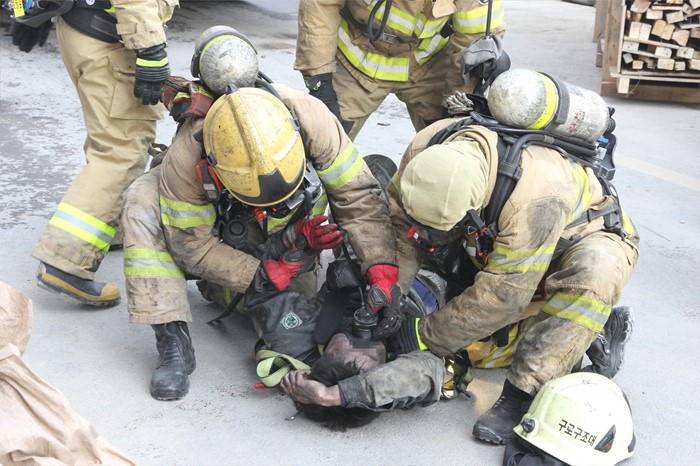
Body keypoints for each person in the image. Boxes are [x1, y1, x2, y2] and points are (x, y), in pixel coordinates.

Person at [120, 27, 400, 402]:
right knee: (141, 200)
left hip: (290, 250)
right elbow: (191, 246)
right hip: (229, 248)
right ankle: (172, 340)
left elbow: (358, 196)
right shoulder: (188, 156)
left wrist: (380, 266)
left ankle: (250, 290)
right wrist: (260, 275)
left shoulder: (309, 117)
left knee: (292, 321)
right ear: (216, 169)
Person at [384, 96, 640, 445]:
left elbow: (503, 296)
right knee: (477, 351)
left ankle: (523, 395)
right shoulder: (430, 143)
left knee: (593, 274)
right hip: (507, 242)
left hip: (582, 241)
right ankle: (584, 334)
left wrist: (423, 335)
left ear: (475, 204)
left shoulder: (536, 196)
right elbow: (400, 229)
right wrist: (388, 297)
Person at [8, 0, 177, 307]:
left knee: (108, 136)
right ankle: (66, 261)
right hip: (106, 38)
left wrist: (29, 12)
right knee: (121, 150)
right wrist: (150, 49)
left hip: (80, 27)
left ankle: (106, 227)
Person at [294, 0, 506, 139]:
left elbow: (473, 37)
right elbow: (320, 5)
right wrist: (319, 75)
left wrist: (457, 104)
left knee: (451, 140)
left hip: (426, 64)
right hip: (356, 59)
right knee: (325, 142)